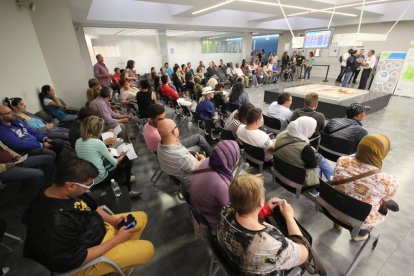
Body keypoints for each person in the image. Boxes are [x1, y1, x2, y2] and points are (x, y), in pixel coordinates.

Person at [23, 158, 154, 274]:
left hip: (97, 232)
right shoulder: (54, 222)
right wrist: (117, 240)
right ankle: (118, 262)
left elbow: (93, 208)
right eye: (88, 185)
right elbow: (75, 259)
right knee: (148, 249)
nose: (89, 188)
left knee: (141, 217)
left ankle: (122, 259)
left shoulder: (62, 190)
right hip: (85, 258)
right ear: (72, 186)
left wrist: (114, 220)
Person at [217, 174, 309, 274]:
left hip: (240, 263)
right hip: (266, 261)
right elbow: (304, 254)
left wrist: (265, 210)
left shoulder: (225, 211)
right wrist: (289, 217)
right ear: (261, 201)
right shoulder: (271, 245)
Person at [332, 134, 399, 241]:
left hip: (333, 208)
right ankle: (359, 234)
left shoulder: (342, 160)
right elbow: (386, 197)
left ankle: (338, 221)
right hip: (359, 220)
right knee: (380, 202)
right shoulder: (388, 181)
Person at [75, 116, 141, 197]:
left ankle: (126, 179)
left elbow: (92, 153)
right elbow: (115, 162)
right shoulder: (98, 143)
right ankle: (128, 189)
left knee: (116, 155)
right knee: (128, 160)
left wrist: (105, 150)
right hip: (100, 176)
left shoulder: (78, 141)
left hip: (88, 174)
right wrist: (123, 155)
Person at [274, 116, 333, 195]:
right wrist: (312, 153)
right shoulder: (305, 148)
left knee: (318, 158)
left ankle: (332, 179)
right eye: (313, 128)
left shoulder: (282, 134)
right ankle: (327, 184)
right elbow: (313, 165)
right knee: (320, 160)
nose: (315, 130)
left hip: (281, 173)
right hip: (297, 182)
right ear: (305, 129)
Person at [190, 140, 240, 232]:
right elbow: (233, 212)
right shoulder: (222, 185)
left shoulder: (208, 161)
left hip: (199, 208)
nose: (237, 160)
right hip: (213, 220)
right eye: (237, 157)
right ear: (231, 160)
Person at [156, 119, 208, 186]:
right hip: (194, 182)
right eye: (176, 126)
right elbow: (199, 166)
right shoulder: (181, 156)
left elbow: (181, 149)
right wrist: (203, 158)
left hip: (178, 172)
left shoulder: (160, 145)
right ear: (174, 131)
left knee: (198, 147)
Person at [144, 105, 212, 154]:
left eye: (164, 117)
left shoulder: (146, 126)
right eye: (160, 119)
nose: (164, 121)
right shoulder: (157, 135)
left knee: (198, 138)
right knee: (199, 139)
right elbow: (176, 145)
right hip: (172, 151)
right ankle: (213, 157)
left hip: (162, 151)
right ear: (151, 119)